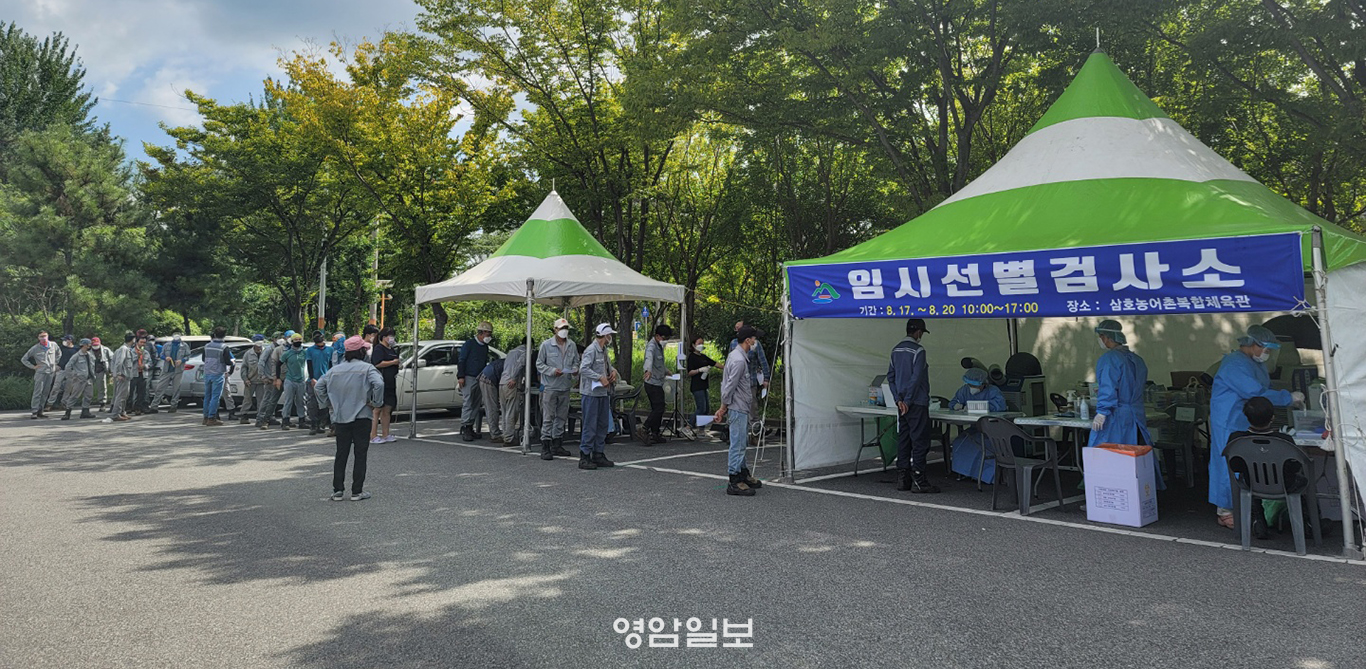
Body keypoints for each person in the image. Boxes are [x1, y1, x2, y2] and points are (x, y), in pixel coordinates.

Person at [1209, 324, 1302, 528]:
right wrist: (1287, 398)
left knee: (1247, 460)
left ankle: (1247, 507)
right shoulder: (1234, 364)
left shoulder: (1254, 364)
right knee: (1228, 462)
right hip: (1228, 420)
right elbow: (1254, 392)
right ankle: (1225, 510)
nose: (1267, 353)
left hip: (1244, 418)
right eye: (1265, 349)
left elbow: (1264, 388)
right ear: (1253, 344)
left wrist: (1283, 396)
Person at [1087, 320, 1164, 490]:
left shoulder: (1109, 359)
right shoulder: (1137, 360)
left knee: (1108, 456)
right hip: (1135, 414)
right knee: (1137, 457)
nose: (1100, 340)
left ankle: (1108, 494)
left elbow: (1108, 387)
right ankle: (1143, 492)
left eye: (1101, 336)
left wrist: (1102, 412)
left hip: (1117, 416)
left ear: (1106, 337)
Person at [315, 335, 385, 502]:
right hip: (362, 416)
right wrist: (376, 402)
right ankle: (357, 491)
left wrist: (328, 404)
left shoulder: (335, 370)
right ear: (361, 352)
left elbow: (318, 386)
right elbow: (379, 384)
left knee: (341, 453)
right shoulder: (367, 368)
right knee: (360, 453)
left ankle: (338, 490)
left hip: (340, 417)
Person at [1228, 396, 1304, 540]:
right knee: (1304, 481)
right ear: (1273, 417)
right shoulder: (1284, 440)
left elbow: (1235, 466)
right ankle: (1307, 523)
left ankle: (1258, 520)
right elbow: (1295, 466)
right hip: (1285, 484)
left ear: (1247, 417)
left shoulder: (1237, 439)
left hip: (1251, 483)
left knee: (1248, 479)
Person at [886, 318, 939, 493]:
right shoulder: (919, 351)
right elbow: (916, 379)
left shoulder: (895, 350)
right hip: (916, 403)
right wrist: (908, 401)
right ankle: (919, 480)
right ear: (918, 332)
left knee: (904, 440)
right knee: (920, 441)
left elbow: (891, 377)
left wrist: (898, 400)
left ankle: (903, 480)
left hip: (901, 404)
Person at [715, 325, 765, 496]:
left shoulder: (738, 356)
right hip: (737, 407)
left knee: (742, 442)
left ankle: (743, 473)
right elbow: (729, 386)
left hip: (740, 406)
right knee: (737, 444)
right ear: (748, 340)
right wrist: (723, 407)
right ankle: (734, 480)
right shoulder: (738, 360)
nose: (756, 341)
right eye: (754, 338)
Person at [948, 368, 1009, 482]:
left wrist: (978, 407)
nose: (972, 388)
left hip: (992, 430)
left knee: (982, 445)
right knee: (959, 442)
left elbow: (1000, 406)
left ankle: (987, 476)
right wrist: (956, 406)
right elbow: (953, 402)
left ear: (983, 384)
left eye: (975, 385)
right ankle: (967, 473)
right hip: (975, 429)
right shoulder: (964, 390)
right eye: (970, 385)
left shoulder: (993, 391)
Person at [537, 318, 579, 460]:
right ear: (555, 330)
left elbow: (576, 362)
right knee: (548, 417)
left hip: (565, 386)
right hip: (550, 386)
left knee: (561, 416)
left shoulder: (572, 345)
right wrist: (552, 371)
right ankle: (545, 445)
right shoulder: (546, 345)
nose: (564, 331)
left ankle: (557, 443)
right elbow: (539, 364)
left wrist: (575, 370)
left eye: (566, 328)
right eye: (561, 328)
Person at [578, 323, 619, 470]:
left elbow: (607, 366)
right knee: (590, 424)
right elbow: (583, 369)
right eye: (609, 335)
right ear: (605, 335)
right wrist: (599, 377)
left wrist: (613, 371)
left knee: (602, 424)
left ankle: (598, 453)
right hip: (591, 393)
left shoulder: (604, 350)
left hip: (602, 392)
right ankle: (585, 455)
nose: (610, 337)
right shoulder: (591, 350)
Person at [639, 324, 674, 444]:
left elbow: (659, 363)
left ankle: (655, 433)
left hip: (658, 382)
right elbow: (648, 359)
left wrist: (666, 371)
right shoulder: (652, 346)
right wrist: (647, 370)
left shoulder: (659, 346)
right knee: (659, 408)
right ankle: (644, 428)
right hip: (652, 382)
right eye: (664, 338)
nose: (665, 341)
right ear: (657, 336)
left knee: (658, 408)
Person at [457, 321, 493, 441]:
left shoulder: (485, 347)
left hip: (479, 377)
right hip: (468, 377)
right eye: (488, 333)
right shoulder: (469, 344)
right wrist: (461, 376)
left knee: (476, 404)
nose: (489, 336)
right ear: (481, 333)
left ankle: (470, 426)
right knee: (468, 402)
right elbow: (461, 360)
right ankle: (465, 426)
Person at [369, 327, 401, 443]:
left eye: (393, 336)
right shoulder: (379, 348)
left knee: (387, 409)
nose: (391, 338)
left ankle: (386, 434)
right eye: (389, 336)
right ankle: (373, 435)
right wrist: (392, 362)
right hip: (381, 382)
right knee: (377, 409)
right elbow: (377, 363)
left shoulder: (392, 349)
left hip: (391, 382)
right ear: (383, 337)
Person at [20, 330, 60, 419]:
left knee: (45, 392)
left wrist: (55, 363)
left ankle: (40, 411)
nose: (43, 338)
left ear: (48, 336)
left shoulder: (53, 345)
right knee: (38, 392)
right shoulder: (35, 348)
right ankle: (34, 411)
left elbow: (59, 354)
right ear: (38, 338)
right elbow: (24, 359)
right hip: (40, 373)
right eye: (41, 336)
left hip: (50, 372)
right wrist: (33, 367)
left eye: (45, 336)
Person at [200, 327, 234, 426]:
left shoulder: (207, 346)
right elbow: (228, 361)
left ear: (214, 334)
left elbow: (203, 359)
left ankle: (205, 417)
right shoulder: (224, 347)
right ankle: (211, 418)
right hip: (218, 373)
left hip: (207, 373)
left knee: (207, 396)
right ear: (224, 336)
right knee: (215, 397)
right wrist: (232, 362)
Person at [685, 334, 721, 429]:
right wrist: (699, 370)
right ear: (693, 345)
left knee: (706, 409)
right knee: (701, 408)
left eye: (702, 343)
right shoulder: (692, 357)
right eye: (699, 343)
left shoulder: (703, 357)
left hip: (704, 385)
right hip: (697, 386)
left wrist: (727, 367)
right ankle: (689, 425)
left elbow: (714, 363)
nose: (701, 345)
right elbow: (689, 372)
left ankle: (701, 428)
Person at [150, 333, 191, 413]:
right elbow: (161, 355)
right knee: (160, 388)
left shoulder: (184, 346)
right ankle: (154, 406)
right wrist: (166, 358)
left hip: (178, 370)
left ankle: (173, 406)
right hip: (167, 369)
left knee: (176, 389)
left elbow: (188, 356)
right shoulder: (167, 345)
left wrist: (181, 360)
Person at [499, 343, 529, 448]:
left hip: (502, 382)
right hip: (511, 383)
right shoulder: (524, 352)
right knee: (511, 411)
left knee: (504, 411)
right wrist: (514, 378)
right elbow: (520, 365)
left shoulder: (511, 352)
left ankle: (505, 435)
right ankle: (509, 438)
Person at [728, 320, 771, 392]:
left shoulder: (756, 344)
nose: (737, 331)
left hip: (750, 383)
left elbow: (763, 361)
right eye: (736, 329)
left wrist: (766, 379)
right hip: (736, 385)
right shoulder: (733, 344)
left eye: (738, 328)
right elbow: (729, 364)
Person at [61, 339, 97, 420]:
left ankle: (85, 411)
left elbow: (92, 366)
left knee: (89, 395)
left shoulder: (90, 355)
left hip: (89, 379)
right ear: (84, 345)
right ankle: (67, 412)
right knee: (75, 396)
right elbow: (68, 366)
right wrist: (73, 376)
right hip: (79, 379)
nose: (90, 346)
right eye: (88, 344)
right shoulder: (76, 356)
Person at [305, 332, 333, 436]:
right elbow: (309, 364)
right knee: (312, 403)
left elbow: (331, 364)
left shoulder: (330, 350)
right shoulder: (310, 350)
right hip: (314, 380)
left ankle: (322, 424)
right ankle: (314, 425)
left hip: (326, 379)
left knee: (324, 403)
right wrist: (312, 378)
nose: (320, 345)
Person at [280, 332, 309, 431]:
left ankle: (302, 421)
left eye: (299, 340)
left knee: (301, 401)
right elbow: (278, 364)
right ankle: (285, 421)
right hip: (290, 380)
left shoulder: (304, 353)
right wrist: (278, 378)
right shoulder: (287, 353)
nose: (298, 342)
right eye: (296, 340)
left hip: (301, 380)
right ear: (292, 341)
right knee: (288, 401)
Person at [256, 332, 284, 429]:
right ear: (274, 339)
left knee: (273, 400)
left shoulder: (281, 349)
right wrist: (263, 376)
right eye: (278, 338)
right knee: (267, 399)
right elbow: (261, 362)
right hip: (269, 378)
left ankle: (270, 417)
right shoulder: (269, 349)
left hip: (276, 378)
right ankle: (260, 418)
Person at [110, 333, 137, 422]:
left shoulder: (128, 349)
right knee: (120, 395)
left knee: (125, 395)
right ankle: (115, 414)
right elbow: (119, 362)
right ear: (132, 339)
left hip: (127, 376)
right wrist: (118, 373)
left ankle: (122, 412)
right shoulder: (123, 349)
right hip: (123, 375)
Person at [478, 355, 505, 443]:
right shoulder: (517, 363)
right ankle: (495, 434)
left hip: (486, 376)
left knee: (492, 407)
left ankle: (495, 432)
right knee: (492, 407)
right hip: (488, 379)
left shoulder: (511, 359)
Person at [47, 334, 77, 410]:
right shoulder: (61, 348)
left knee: (68, 388)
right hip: (61, 369)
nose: (63, 341)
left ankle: (64, 403)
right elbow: (54, 356)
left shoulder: (76, 349)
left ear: (70, 340)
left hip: (71, 371)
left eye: (65, 340)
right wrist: (55, 365)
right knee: (56, 386)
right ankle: (50, 403)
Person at [240, 335, 265, 424]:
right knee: (247, 399)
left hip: (262, 381)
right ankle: (244, 416)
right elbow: (244, 367)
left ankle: (260, 418)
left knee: (261, 400)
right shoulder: (248, 354)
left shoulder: (266, 352)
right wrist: (245, 379)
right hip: (250, 380)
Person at [89, 336, 113, 412]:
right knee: (88, 387)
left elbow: (112, 359)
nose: (95, 346)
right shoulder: (88, 350)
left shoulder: (106, 350)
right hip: (90, 371)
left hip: (101, 370)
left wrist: (111, 370)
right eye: (94, 345)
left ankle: (102, 403)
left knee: (102, 387)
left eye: (97, 345)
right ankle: (86, 403)